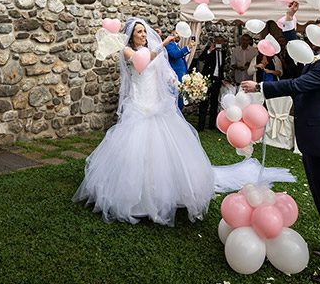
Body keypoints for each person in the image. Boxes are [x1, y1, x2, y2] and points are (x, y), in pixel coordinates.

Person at [241, 1, 320, 284]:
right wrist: (289, 20)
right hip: (313, 140)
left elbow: (296, 85)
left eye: (317, 32)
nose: (310, 37)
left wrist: (261, 87)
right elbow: (297, 50)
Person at [74, 18, 214, 225]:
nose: (143, 35)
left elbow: (164, 71)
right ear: (131, 36)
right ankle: (135, 200)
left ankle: (167, 193)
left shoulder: (154, 50)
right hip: (139, 106)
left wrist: (180, 83)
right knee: (137, 151)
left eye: (144, 31)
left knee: (165, 151)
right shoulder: (126, 51)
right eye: (139, 32)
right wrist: (164, 43)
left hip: (159, 105)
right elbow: (142, 63)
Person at [194, 34, 229, 131]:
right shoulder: (209, 50)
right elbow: (201, 58)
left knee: (214, 102)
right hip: (208, 78)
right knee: (204, 101)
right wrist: (210, 50)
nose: (219, 43)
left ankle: (212, 125)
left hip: (217, 79)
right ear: (214, 41)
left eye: (220, 41)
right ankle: (201, 125)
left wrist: (221, 78)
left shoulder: (223, 52)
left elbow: (221, 67)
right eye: (217, 41)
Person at [164, 34, 194, 110]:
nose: (177, 35)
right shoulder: (169, 44)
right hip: (175, 75)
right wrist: (188, 47)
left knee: (181, 97)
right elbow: (175, 55)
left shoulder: (176, 45)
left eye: (178, 34)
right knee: (177, 98)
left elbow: (181, 55)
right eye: (175, 34)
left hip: (181, 75)